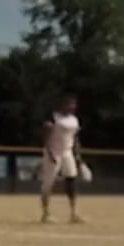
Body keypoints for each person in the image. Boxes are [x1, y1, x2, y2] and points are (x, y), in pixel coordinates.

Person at [38, 95, 84, 224]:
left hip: (67, 152)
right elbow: (45, 135)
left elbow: (75, 138)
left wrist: (77, 154)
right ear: (63, 104)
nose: (72, 107)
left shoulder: (74, 120)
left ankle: (74, 213)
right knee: (48, 183)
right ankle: (46, 213)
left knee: (71, 179)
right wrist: (49, 152)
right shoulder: (54, 117)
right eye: (69, 104)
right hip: (54, 152)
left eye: (74, 104)